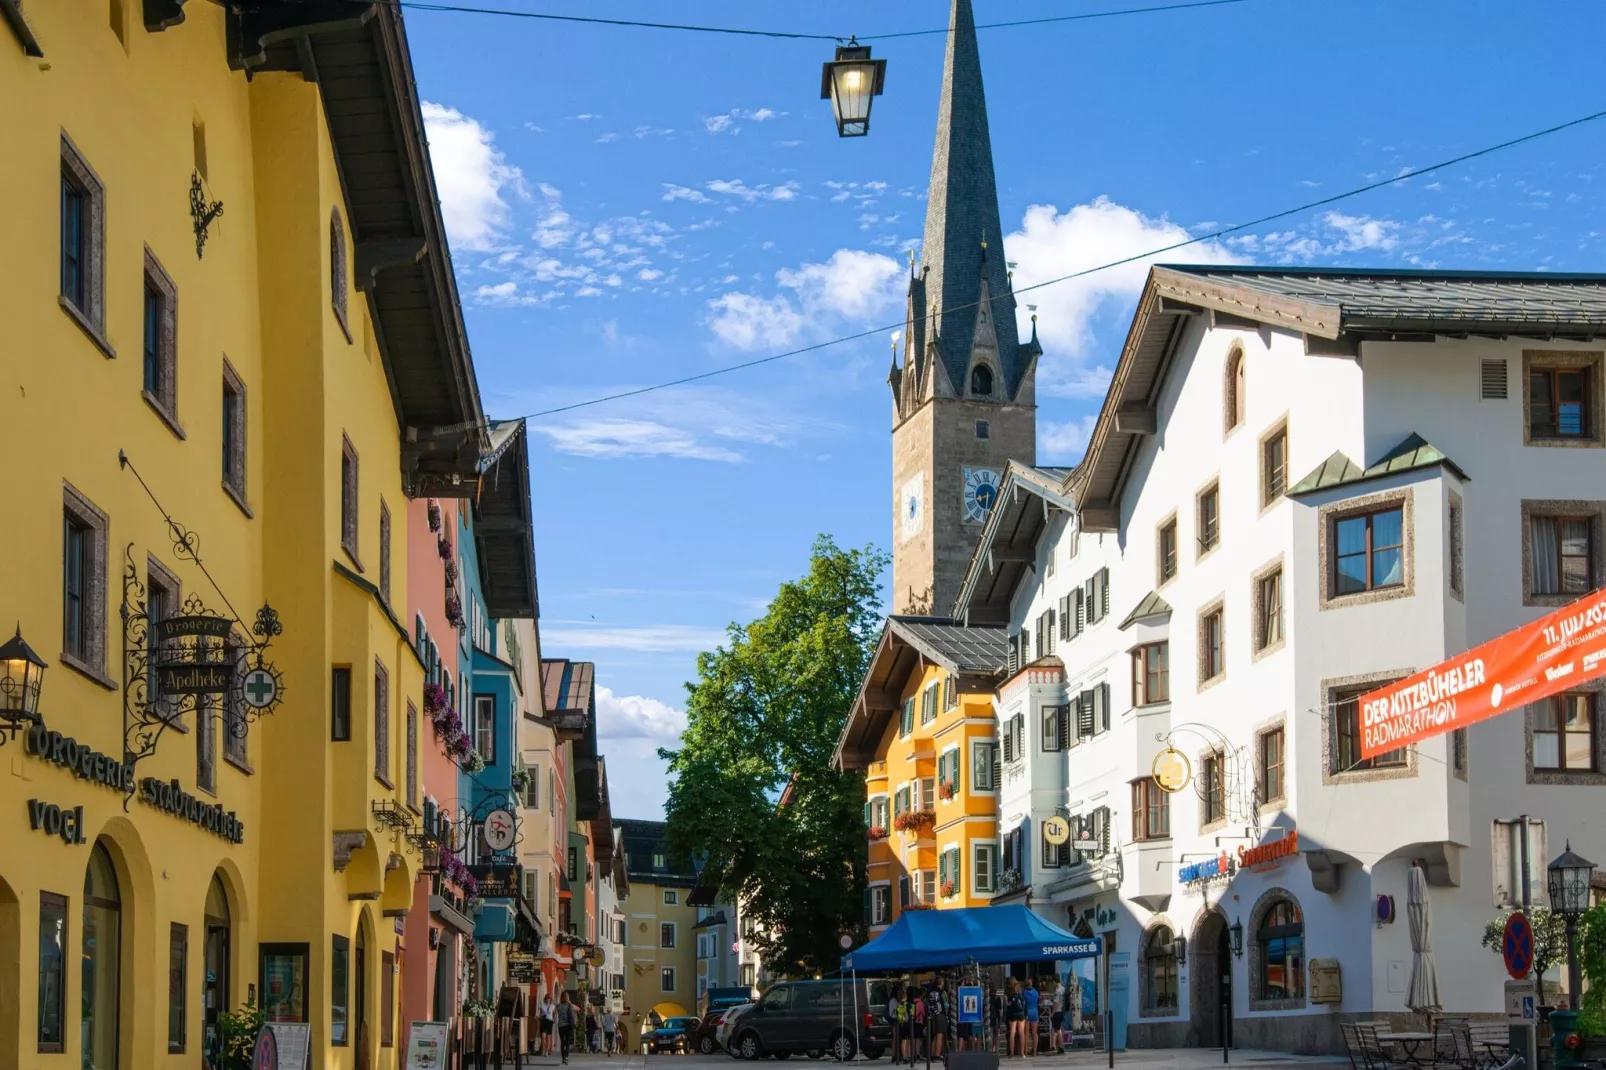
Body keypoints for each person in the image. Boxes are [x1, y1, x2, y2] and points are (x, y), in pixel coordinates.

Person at [926, 976, 949, 1059]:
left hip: (933, 1015)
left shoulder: (932, 992)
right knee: (940, 1035)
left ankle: (932, 1054)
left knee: (935, 1036)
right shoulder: (942, 992)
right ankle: (937, 1055)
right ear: (942, 983)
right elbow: (945, 1004)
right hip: (941, 1015)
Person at [1005, 979, 1026, 1058]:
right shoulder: (1020, 991)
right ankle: (1022, 1053)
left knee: (1012, 1032)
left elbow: (1007, 1003)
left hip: (1012, 1014)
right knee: (1021, 1032)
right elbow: (1024, 1002)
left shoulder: (1009, 992)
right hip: (1021, 1013)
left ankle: (1012, 1053)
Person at [555, 992, 577, 1064]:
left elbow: (554, 1013)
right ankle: (566, 1058)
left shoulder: (558, 1006)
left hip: (560, 1026)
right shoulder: (569, 1005)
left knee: (562, 1043)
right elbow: (578, 1009)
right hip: (568, 1026)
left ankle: (563, 1058)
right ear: (567, 997)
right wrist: (570, 1002)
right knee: (567, 1042)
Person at [1023, 977, 1040, 1056]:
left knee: (1026, 1033)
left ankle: (1025, 1051)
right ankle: (1034, 1051)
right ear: (1032, 983)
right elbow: (1037, 1001)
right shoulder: (1036, 992)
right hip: (1035, 1012)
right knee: (1034, 1033)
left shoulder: (1024, 993)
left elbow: (1024, 1004)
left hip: (1027, 1013)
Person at [1050, 975, 1067, 1054]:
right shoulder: (1063, 989)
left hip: (1057, 1012)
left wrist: (1052, 1013)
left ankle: (1061, 1047)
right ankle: (1053, 1045)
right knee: (1054, 1028)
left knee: (1058, 1030)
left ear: (1054, 981)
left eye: (1053, 982)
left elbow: (1055, 1004)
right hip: (1062, 1011)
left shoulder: (1057, 991)